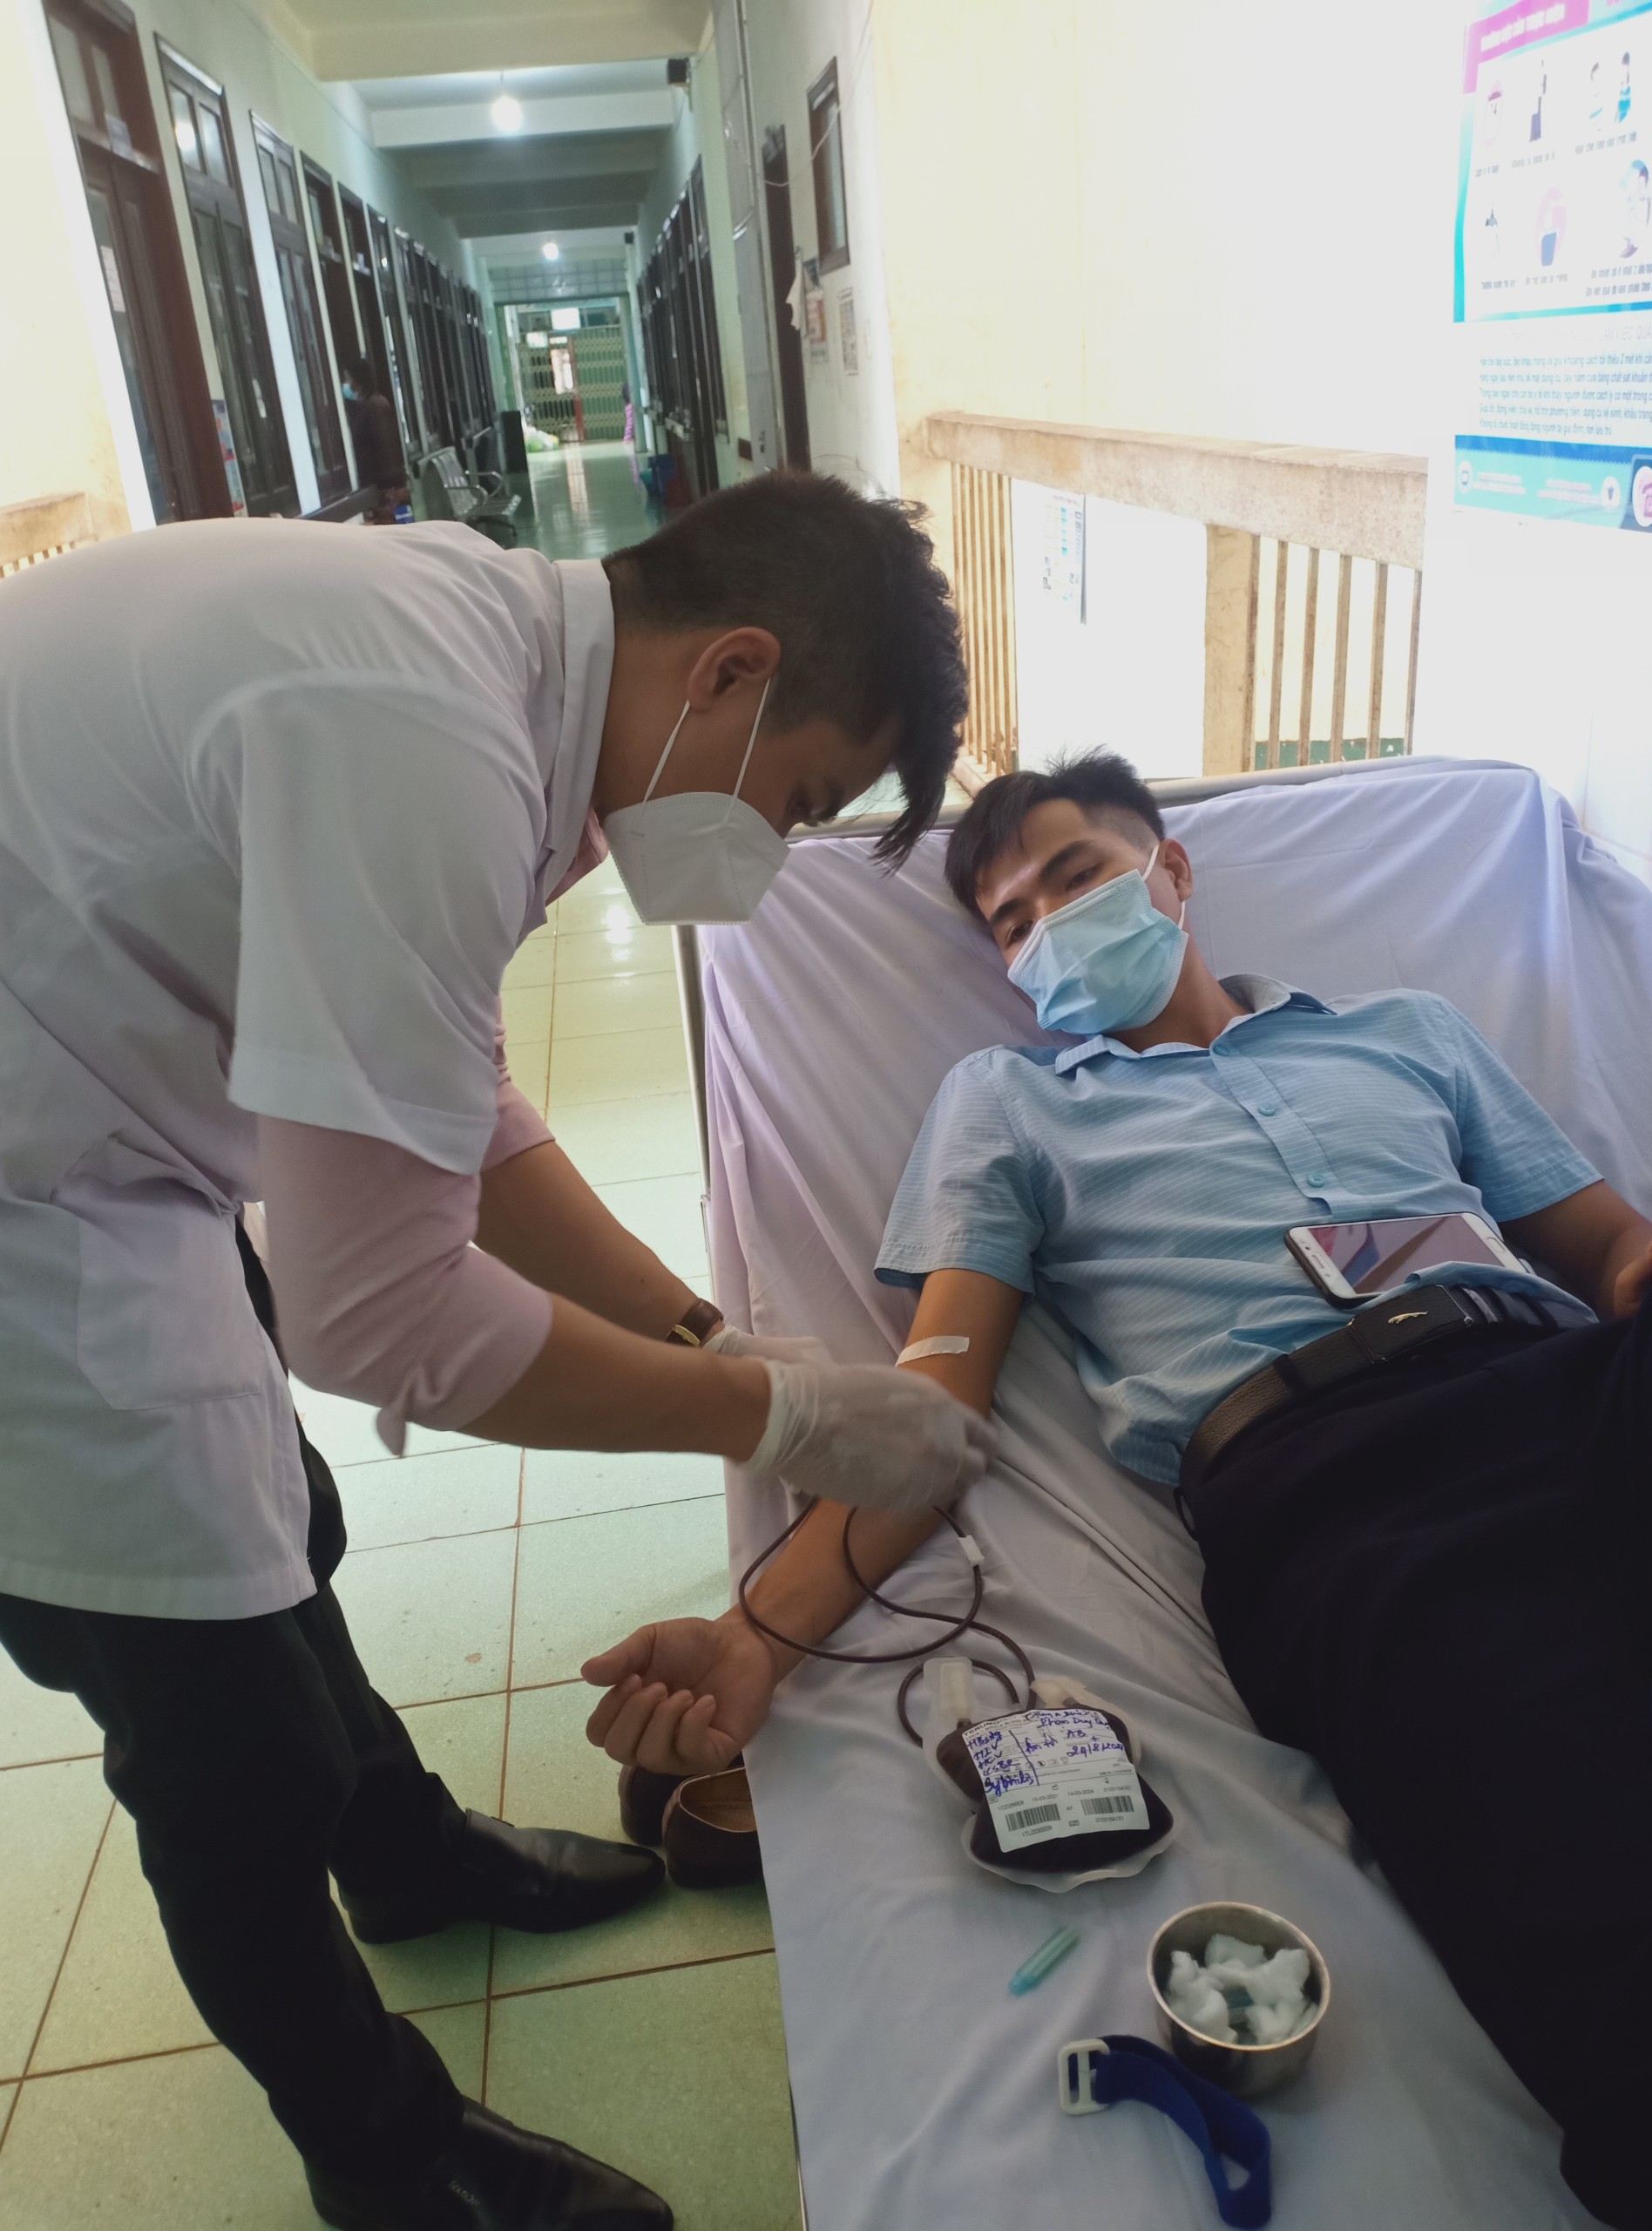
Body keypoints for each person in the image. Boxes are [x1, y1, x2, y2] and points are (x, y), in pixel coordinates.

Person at [0, 473, 992, 2231]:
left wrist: (695, 1325)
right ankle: (390, 2161)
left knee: (281, 1518)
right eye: (795, 800)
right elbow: (378, 1316)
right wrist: (783, 1413)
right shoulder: (423, 734)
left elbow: (454, 1103)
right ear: (730, 670)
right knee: (226, 1747)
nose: (771, 850)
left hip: (91, 1109)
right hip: (37, 1198)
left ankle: (401, 1854)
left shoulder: (503, 665)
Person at [585, 751, 1652, 2231]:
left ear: (1171, 870)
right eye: (1011, 921)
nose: (1047, 926)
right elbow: (929, 1416)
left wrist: (1645, 1272)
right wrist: (755, 1638)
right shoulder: (1010, 1107)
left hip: (1570, 1382)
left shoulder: (1404, 1034)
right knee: (1600, 1920)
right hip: (1352, 1493)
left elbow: (1611, 1251)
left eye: (1075, 877)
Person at [340, 353, 410, 523]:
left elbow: (384, 447)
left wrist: (387, 485)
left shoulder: (373, 406)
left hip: (384, 487)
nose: (345, 384)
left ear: (357, 380)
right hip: (383, 485)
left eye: (347, 379)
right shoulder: (370, 405)